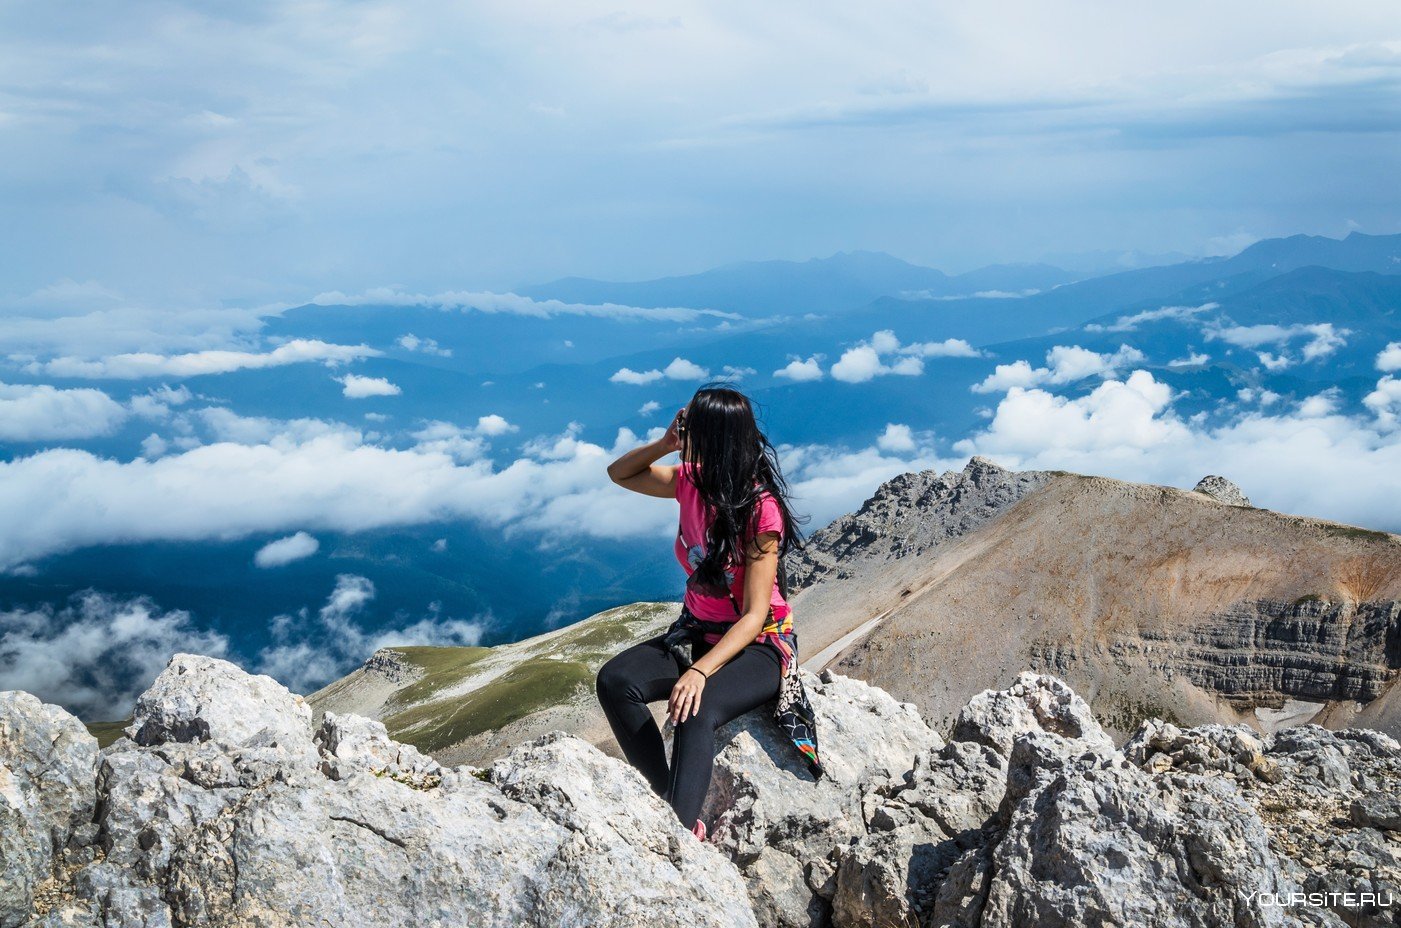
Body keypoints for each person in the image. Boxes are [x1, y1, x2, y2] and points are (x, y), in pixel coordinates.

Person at [596, 384, 821, 842]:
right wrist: (664, 444)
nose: (685, 430)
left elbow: (757, 614)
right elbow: (619, 474)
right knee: (616, 681)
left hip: (759, 645)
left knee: (695, 710)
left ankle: (679, 835)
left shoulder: (762, 512)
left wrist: (699, 672)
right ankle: (668, 801)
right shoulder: (690, 480)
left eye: (691, 425)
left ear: (715, 436)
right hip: (698, 628)